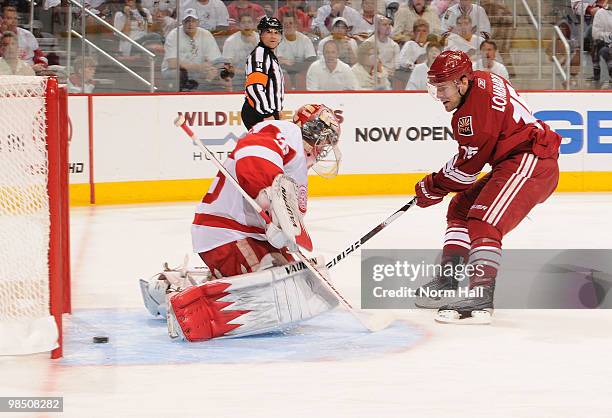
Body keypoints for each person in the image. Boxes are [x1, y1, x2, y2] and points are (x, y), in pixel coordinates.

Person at [142, 105, 342, 341]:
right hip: (226, 230)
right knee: (269, 287)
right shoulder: (286, 131)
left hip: (248, 234)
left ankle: (188, 278)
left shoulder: (299, 168)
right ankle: (173, 291)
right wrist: (265, 193)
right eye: (326, 138)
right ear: (313, 130)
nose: (325, 146)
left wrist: (281, 232)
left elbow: (289, 219)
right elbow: (253, 155)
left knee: (291, 278)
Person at [414, 50, 561, 324]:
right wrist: (438, 186)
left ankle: (480, 295)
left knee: (483, 221)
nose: (439, 96)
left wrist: (432, 186)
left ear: (462, 82)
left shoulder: (470, 118)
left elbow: (465, 173)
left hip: (530, 160)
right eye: (435, 89)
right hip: (515, 159)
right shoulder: (483, 78)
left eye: (443, 88)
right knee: (460, 208)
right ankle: (449, 280)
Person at [161, 9, 222, 90]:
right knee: (180, 73)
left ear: (198, 22)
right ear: (182, 23)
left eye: (193, 21)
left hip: (197, 71)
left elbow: (216, 60)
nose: (190, 24)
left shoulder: (206, 34)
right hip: (173, 71)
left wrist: (211, 69)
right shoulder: (173, 35)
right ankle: (182, 96)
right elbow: (172, 63)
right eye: (187, 21)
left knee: (217, 72)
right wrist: (198, 67)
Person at [241, 17, 285, 130]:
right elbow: (254, 87)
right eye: (268, 32)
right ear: (260, 34)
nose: (273, 36)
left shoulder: (269, 55)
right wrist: (267, 114)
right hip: (259, 114)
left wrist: (277, 112)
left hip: (267, 112)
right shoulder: (260, 54)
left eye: (276, 32)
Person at [276, 12, 317, 88]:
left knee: (301, 76)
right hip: (284, 74)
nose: (288, 26)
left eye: (290, 23)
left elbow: (311, 60)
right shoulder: (277, 40)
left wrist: (292, 65)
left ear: (296, 25)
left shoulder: (305, 40)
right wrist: (297, 65)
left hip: (301, 72)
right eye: (285, 24)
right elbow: (279, 63)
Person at [592, 0, 612, 87]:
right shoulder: (601, 13)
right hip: (607, 44)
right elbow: (596, 34)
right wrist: (610, 36)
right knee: (605, 50)